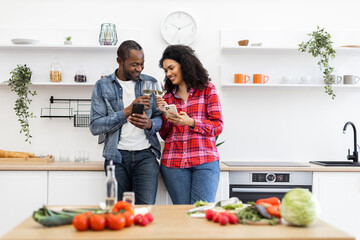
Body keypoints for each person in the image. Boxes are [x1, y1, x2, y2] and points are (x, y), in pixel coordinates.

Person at [89, 40, 162, 204]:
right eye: (134, 64)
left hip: (146, 157)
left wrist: (150, 124)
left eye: (142, 64)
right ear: (119, 61)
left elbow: (160, 117)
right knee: (119, 213)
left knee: (144, 212)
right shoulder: (102, 86)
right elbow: (95, 126)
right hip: (116, 158)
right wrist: (127, 111)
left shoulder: (151, 83)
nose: (139, 69)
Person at [156, 45, 224, 204]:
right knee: (181, 214)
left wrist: (192, 122)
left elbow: (218, 126)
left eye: (171, 68)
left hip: (205, 161)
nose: (168, 74)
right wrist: (164, 114)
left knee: (200, 212)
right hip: (174, 164)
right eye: (166, 70)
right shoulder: (168, 97)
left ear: (184, 63)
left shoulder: (207, 90)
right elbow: (165, 135)